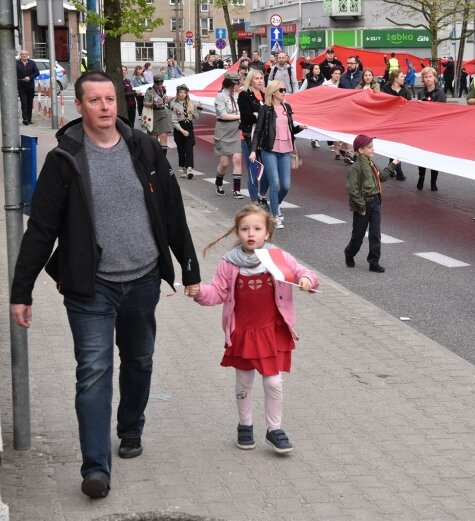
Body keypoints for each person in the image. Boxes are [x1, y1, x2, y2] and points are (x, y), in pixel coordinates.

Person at [10, 70, 201, 498]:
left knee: (140, 360)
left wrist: (188, 268)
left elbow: (172, 210)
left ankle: (130, 427)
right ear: (78, 106)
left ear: (119, 102)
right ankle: (96, 468)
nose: (104, 107)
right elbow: (41, 230)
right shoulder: (65, 159)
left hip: (143, 279)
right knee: (93, 373)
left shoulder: (143, 147)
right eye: (94, 100)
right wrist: (21, 292)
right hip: (90, 287)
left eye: (109, 99)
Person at [190, 205, 318, 453]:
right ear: (237, 232)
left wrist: (306, 280)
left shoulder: (278, 258)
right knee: (244, 381)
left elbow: (305, 272)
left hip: (271, 330)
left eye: (257, 229)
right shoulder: (229, 263)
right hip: (243, 331)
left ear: (267, 233)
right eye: (245, 228)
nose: (251, 233)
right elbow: (217, 292)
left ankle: (275, 429)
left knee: (273, 382)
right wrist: (199, 293)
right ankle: (245, 425)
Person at [249, 80, 307, 229]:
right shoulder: (266, 109)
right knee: (275, 183)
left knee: (286, 186)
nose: (284, 92)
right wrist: (254, 151)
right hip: (270, 150)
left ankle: (275, 203)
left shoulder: (286, 107)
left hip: (285, 149)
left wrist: (299, 128)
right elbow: (258, 131)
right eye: (281, 90)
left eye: (284, 90)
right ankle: (275, 216)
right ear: (273, 92)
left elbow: (290, 128)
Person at [344, 135, 401, 273]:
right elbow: (352, 189)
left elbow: (381, 177)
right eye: (370, 147)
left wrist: (393, 164)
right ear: (361, 150)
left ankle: (373, 261)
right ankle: (349, 253)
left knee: (375, 234)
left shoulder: (370, 163)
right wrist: (361, 206)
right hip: (363, 205)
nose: (372, 149)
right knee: (358, 236)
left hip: (375, 202)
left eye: (372, 146)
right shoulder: (355, 168)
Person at [214, 72, 245, 199]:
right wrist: (241, 116)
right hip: (223, 130)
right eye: (237, 83)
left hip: (237, 129)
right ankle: (219, 183)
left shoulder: (238, 95)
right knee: (225, 163)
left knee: (237, 159)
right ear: (231, 84)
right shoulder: (220, 96)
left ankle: (236, 190)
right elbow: (223, 115)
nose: (239, 86)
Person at [238, 69, 266, 205]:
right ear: (251, 80)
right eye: (256, 78)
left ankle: (262, 194)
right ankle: (254, 201)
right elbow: (246, 116)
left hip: (264, 136)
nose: (260, 81)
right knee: (253, 169)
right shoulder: (244, 95)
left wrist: (258, 115)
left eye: (261, 78)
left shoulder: (265, 95)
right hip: (248, 136)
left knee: (267, 169)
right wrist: (260, 116)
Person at [416, 66, 447, 191]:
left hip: (436, 129)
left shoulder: (440, 93)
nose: (428, 79)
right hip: (423, 129)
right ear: (423, 79)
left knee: (434, 156)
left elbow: (441, 111)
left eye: (430, 77)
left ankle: (433, 181)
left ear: (435, 78)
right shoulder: (420, 92)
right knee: (422, 155)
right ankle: (421, 176)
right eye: (426, 77)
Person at [381, 70, 412, 180]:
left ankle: (395, 170)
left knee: (397, 146)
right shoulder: (385, 90)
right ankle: (396, 170)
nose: (404, 78)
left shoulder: (406, 91)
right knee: (392, 146)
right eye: (401, 76)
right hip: (389, 122)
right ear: (395, 78)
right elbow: (382, 104)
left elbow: (410, 106)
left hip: (401, 122)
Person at [171, 84, 199, 180]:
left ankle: (190, 169)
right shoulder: (174, 104)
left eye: (184, 92)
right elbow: (174, 121)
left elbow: (196, 116)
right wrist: (182, 131)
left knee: (189, 148)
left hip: (189, 127)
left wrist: (198, 109)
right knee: (181, 149)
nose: (183, 94)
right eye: (181, 92)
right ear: (177, 93)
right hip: (179, 128)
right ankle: (184, 168)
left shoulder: (190, 103)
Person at [143, 74, 174, 148]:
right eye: (158, 84)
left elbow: (165, 101)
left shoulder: (163, 89)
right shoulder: (150, 90)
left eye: (161, 83)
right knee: (153, 139)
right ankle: (154, 157)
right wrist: (153, 104)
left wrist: (172, 97)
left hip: (163, 114)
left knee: (164, 135)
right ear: (154, 83)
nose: (160, 85)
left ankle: (163, 158)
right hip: (154, 115)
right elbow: (145, 102)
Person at [16, 50, 39, 125]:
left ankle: (29, 119)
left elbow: (37, 73)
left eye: (25, 54)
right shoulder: (16, 63)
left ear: (27, 55)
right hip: (21, 86)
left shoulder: (32, 63)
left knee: (29, 103)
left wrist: (29, 77)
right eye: (22, 54)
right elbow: (13, 72)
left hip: (30, 86)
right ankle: (25, 119)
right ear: (20, 55)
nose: (24, 56)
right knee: (24, 103)